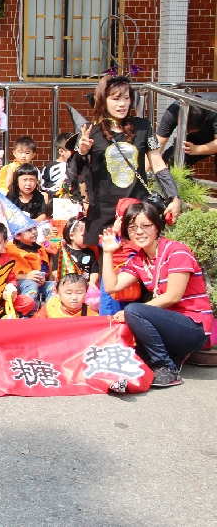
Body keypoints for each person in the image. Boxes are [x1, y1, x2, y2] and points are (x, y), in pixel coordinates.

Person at [101, 201, 212, 387]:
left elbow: (173, 296)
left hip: (194, 326)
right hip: (168, 324)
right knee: (133, 360)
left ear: (157, 227)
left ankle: (167, 367)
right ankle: (168, 359)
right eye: (133, 227)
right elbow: (112, 287)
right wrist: (107, 253)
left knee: (133, 310)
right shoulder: (140, 259)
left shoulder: (177, 251)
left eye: (146, 226)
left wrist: (132, 313)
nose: (139, 232)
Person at [72, 75, 181, 245]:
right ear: (103, 100)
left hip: (137, 210)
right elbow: (76, 172)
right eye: (115, 99)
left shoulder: (144, 127)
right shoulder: (91, 132)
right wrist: (82, 151)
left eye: (126, 98)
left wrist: (174, 197)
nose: (122, 104)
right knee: (107, 265)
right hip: (104, 212)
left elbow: (158, 164)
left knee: (139, 264)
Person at [156, 100, 217, 168]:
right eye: (187, 130)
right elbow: (157, 144)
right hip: (197, 139)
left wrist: (197, 149)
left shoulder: (214, 109)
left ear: (206, 118)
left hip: (213, 140)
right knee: (171, 159)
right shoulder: (174, 111)